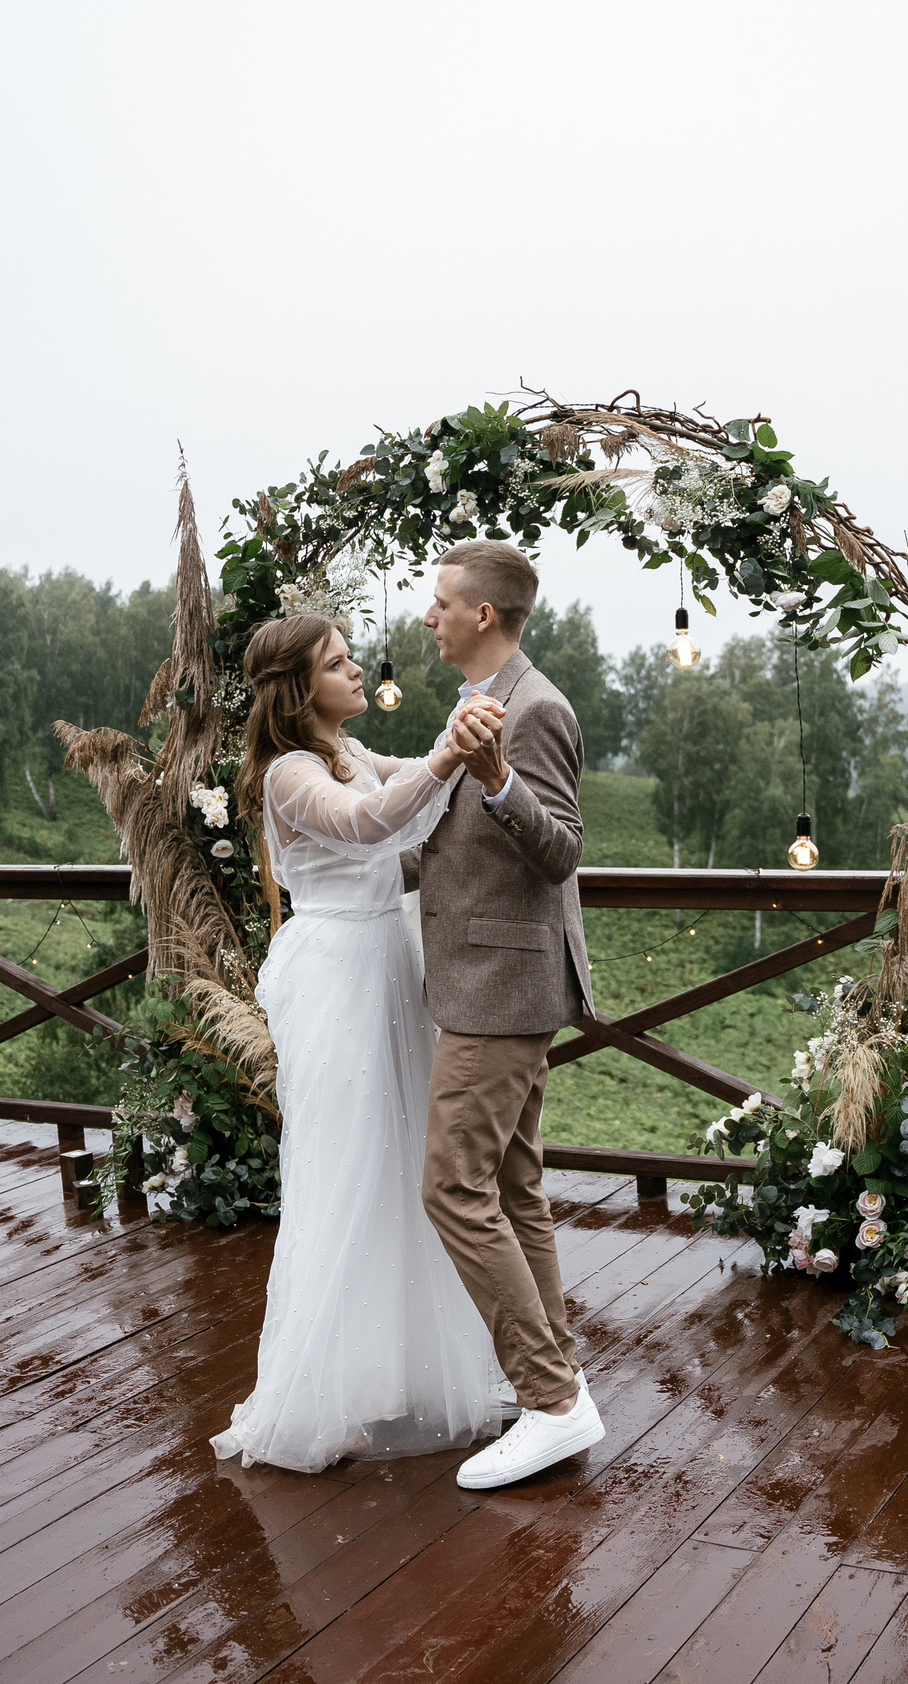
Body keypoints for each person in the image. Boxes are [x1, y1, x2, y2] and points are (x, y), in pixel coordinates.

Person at [208, 613, 507, 1473]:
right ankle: (314, 1394)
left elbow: (407, 781)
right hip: (337, 969)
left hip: (385, 957)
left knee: (401, 1157)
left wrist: (457, 742)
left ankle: (392, 1368)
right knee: (343, 1164)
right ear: (300, 688)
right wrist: (450, 755)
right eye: (337, 663)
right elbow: (375, 820)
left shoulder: (343, 747)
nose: (353, 671)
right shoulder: (290, 773)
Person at [411, 539, 608, 1492]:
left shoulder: (539, 708)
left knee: (453, 1186)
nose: (428, 615)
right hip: (484, 981)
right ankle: (557, 1379)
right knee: (516, 1187)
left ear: (482, 613)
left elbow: (560, 849)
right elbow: (443, 845)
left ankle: (552, 1402)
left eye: (441, 601)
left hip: (504, 990)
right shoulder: (470, 704)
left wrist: (496, 780)